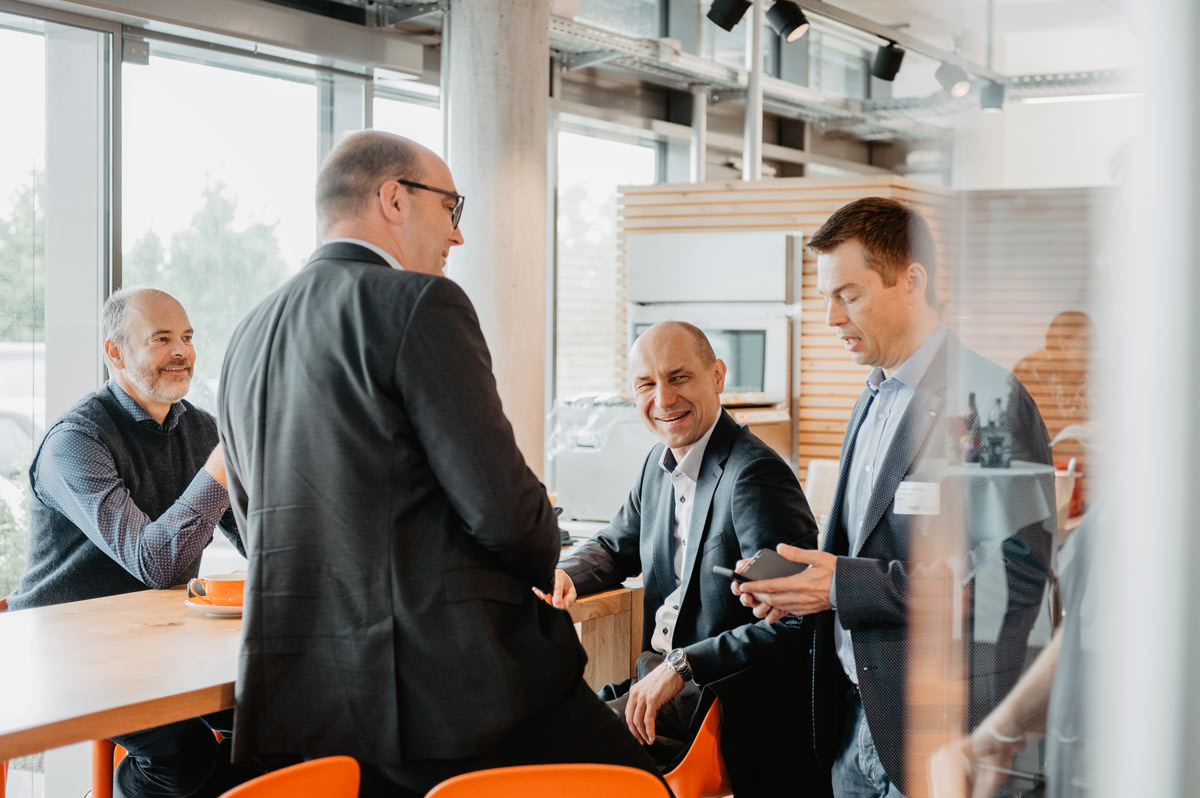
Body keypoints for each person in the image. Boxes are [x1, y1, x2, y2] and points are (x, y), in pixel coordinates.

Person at [216, 130, 659, 797]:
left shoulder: (250, 332)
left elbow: (255, 524)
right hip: (450, 694)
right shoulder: (419, 303)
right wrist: (546, 543)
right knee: (638, 787)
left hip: (305, 703)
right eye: (452, 209)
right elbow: (505, 514)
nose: (457, 237)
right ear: (394, 198)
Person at [733, 197, 1054, 797]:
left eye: (848, 295)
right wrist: (804, 587)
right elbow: (865, 549)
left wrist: (840, 586)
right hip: (858, 727)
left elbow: (1012, 578)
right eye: (826, 296)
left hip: (944, 739)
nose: (830, 317)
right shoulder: (874, 398)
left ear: (911, 281)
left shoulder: (983, 401)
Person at [545, 320, 824, 793]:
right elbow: (615, 545)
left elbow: (795, 623)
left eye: (678, 378)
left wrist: (684, 665)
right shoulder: (658, 467)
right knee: (541, 726)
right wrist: (565, 575)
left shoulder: (755, 475)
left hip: (715, 699)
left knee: (553, 751)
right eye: (646, 385)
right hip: (656, 683)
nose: (663, 399)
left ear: (717, 377)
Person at [6, 286, 247, 798]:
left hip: (153, 643)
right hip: (61, 648)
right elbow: (155, 563)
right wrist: (223, 467)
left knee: (261, 728)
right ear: (114, 352)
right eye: (161, 339)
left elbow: (259, 540)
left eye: (186, 337)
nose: (181, 351)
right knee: (183, 757)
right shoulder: (75, 442)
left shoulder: (199, 429)